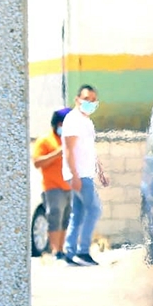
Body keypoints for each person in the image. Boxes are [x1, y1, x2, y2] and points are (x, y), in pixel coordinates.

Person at [62, 85, 109, 266]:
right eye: (86, 99)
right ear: (77, 99)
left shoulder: (87, 121)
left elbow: (90, 151)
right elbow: (69, 150)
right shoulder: (73, 120)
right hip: (79, 174)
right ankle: (82, 251)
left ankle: (70, 252)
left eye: (93, 100)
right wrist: (74, 175)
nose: (90, 103)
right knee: (94, 209)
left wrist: (100, 171)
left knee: (78, 212)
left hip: (86, 174)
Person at [32, 107, 73, 260]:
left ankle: (61, 249)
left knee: (65, 218)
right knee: (54, 216)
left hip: (69, 186)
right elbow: (37, 162)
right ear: (56, 124)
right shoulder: (45, 140)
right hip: (53, 187)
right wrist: (57, 153)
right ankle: (55, 250)